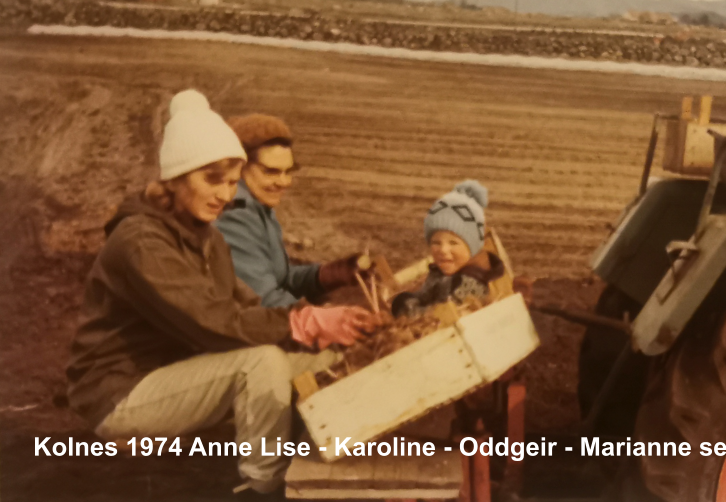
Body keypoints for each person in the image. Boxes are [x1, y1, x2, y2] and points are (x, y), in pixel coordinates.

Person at [66, 90, 376, 496]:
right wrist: (301, 321)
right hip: (121, 390)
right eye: (212, 179)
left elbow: (245, 304)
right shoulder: (142, 242)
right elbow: (211, 321)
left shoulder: (207, 237)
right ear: (176, 178)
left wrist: (317, 330)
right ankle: (263, 486)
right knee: (259, 363)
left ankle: (324, 459)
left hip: (172, 372)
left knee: (321, 358)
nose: (226, 195)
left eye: (232, 182)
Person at [215, 113, 361, 308]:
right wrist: (321, 320)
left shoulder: (259, 206)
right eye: (271, 171)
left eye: (288, 172)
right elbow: (262, 301)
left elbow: (278, 278)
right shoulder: (234, 214)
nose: (284, 182)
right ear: (239, 167)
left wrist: (328, 275)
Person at [392, 180, 506, 318]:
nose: (443, 250)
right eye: (436, 242)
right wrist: (406, 299)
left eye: (453, 243)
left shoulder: (468, 285)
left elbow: (436, 316)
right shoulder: (445, 272)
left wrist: (403, 309)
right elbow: (424, 295)